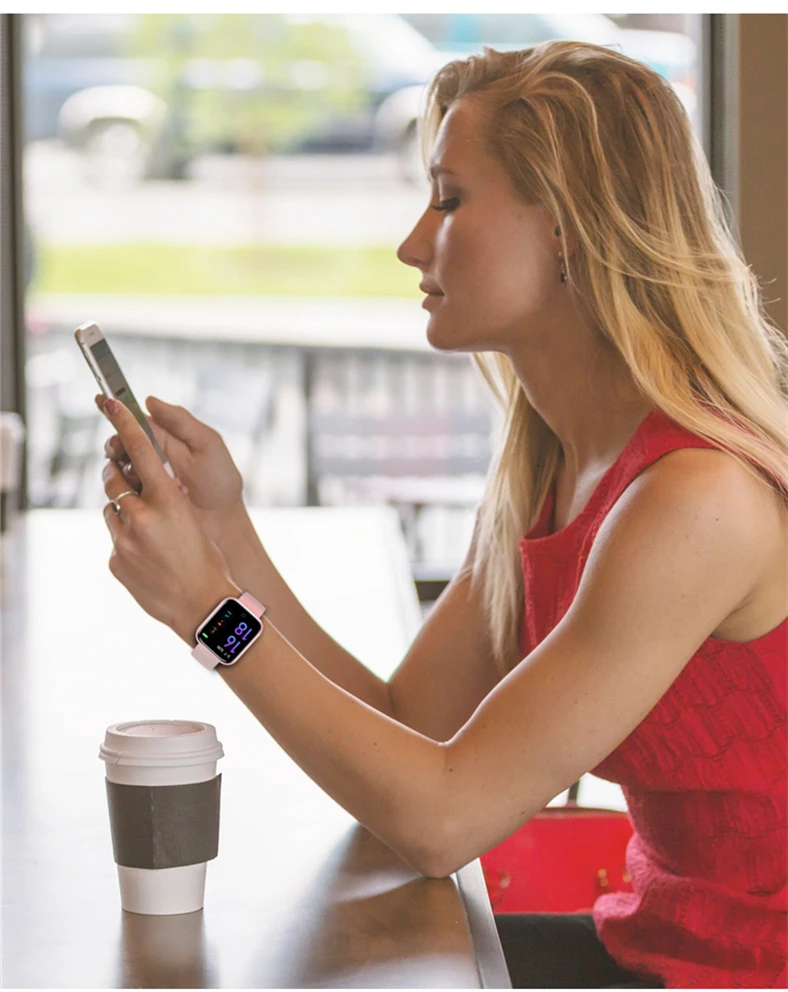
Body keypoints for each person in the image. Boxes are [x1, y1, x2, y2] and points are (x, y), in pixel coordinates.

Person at [96, 40, 787, 989]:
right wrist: (226, 537)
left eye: (450, 200)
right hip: (660, 952)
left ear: (567, 228)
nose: (413, 243)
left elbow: (442, 820)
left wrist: (209, 613)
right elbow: (408, 726)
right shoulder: (557, 470)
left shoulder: (696, 499)